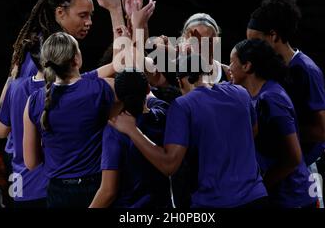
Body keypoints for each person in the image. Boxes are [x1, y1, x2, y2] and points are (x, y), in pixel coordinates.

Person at [109, 54, 268, 208]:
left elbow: (169, 165)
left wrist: (132, 130)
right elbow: (253, 131)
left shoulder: (183, 106)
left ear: (180, 81)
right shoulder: (240, 93)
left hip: (216, 201)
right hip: (257, 197)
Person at [246, 0, 325, 206]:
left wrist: (279, 130)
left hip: (301, 167)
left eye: (255, 41)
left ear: (273, 35)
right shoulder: (270, 68)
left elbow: (322, 132)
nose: (252, 49)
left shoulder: (305, 70)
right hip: (278, 164)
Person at [23, 32, 120, 208]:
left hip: (57, 191)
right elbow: (130, 75)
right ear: (76, 59)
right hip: (98, 189)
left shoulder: (34, 101)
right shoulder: (101, 88)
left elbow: (31, 162)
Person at [229, 39, 318, 208]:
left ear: (247, 66)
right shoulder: (253, 94)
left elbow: (293, 157)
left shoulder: (271, 99)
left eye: (232, 62)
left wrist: (259, 187)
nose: (229, 68)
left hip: (293, 198)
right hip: (277, 196)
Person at [90, 69, 170, 208]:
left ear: (117, 96)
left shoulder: (115, 131)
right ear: (147, 88)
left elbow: (108, 191)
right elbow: (150, 98)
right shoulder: (164, 113)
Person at [0, 35, 48, 208]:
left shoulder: (16, 86)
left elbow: (0, 130)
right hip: (49, 182)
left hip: (20, 178)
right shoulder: (63, 90)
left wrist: (13, 75)